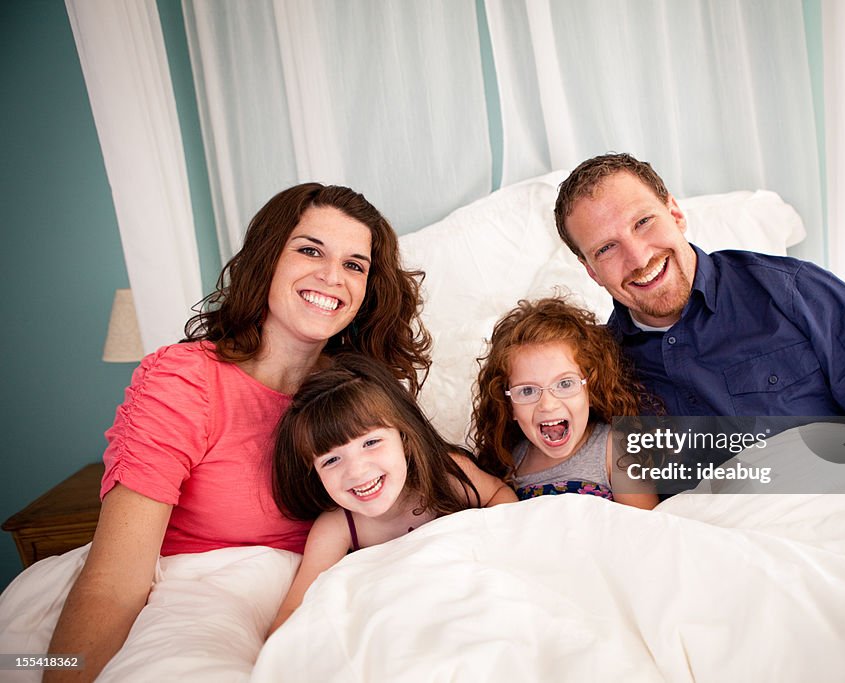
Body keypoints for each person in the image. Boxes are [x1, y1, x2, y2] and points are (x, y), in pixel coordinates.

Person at [46, 184, 432, 681]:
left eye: (355, 265)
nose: (332, 276)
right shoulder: (184, 380)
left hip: (330, 602)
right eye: (310, 250)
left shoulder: (362, 392)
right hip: (200, 602)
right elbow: (116, 583)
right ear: (267, 259)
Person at [553, 152, 845, 492]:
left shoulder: (792, 293)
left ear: (676, 213)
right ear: (591, 270)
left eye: (643, 222)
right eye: (606, 248)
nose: (638, 257)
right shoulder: (597, 367)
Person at [268, 355, 516, 634]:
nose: (357, 470)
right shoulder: (338, 527)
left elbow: (498, 493)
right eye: (331, 460)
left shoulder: (446, 473)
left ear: (405, 439)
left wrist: (497, 550)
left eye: (371, 442)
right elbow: (294, 606)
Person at [472, 297, 659, 509]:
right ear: (509, 406)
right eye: (527, 390)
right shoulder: (512, 461)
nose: (548, 404)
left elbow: (646, 529)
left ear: (590, 389)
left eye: (565, 384)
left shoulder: (616, 448)